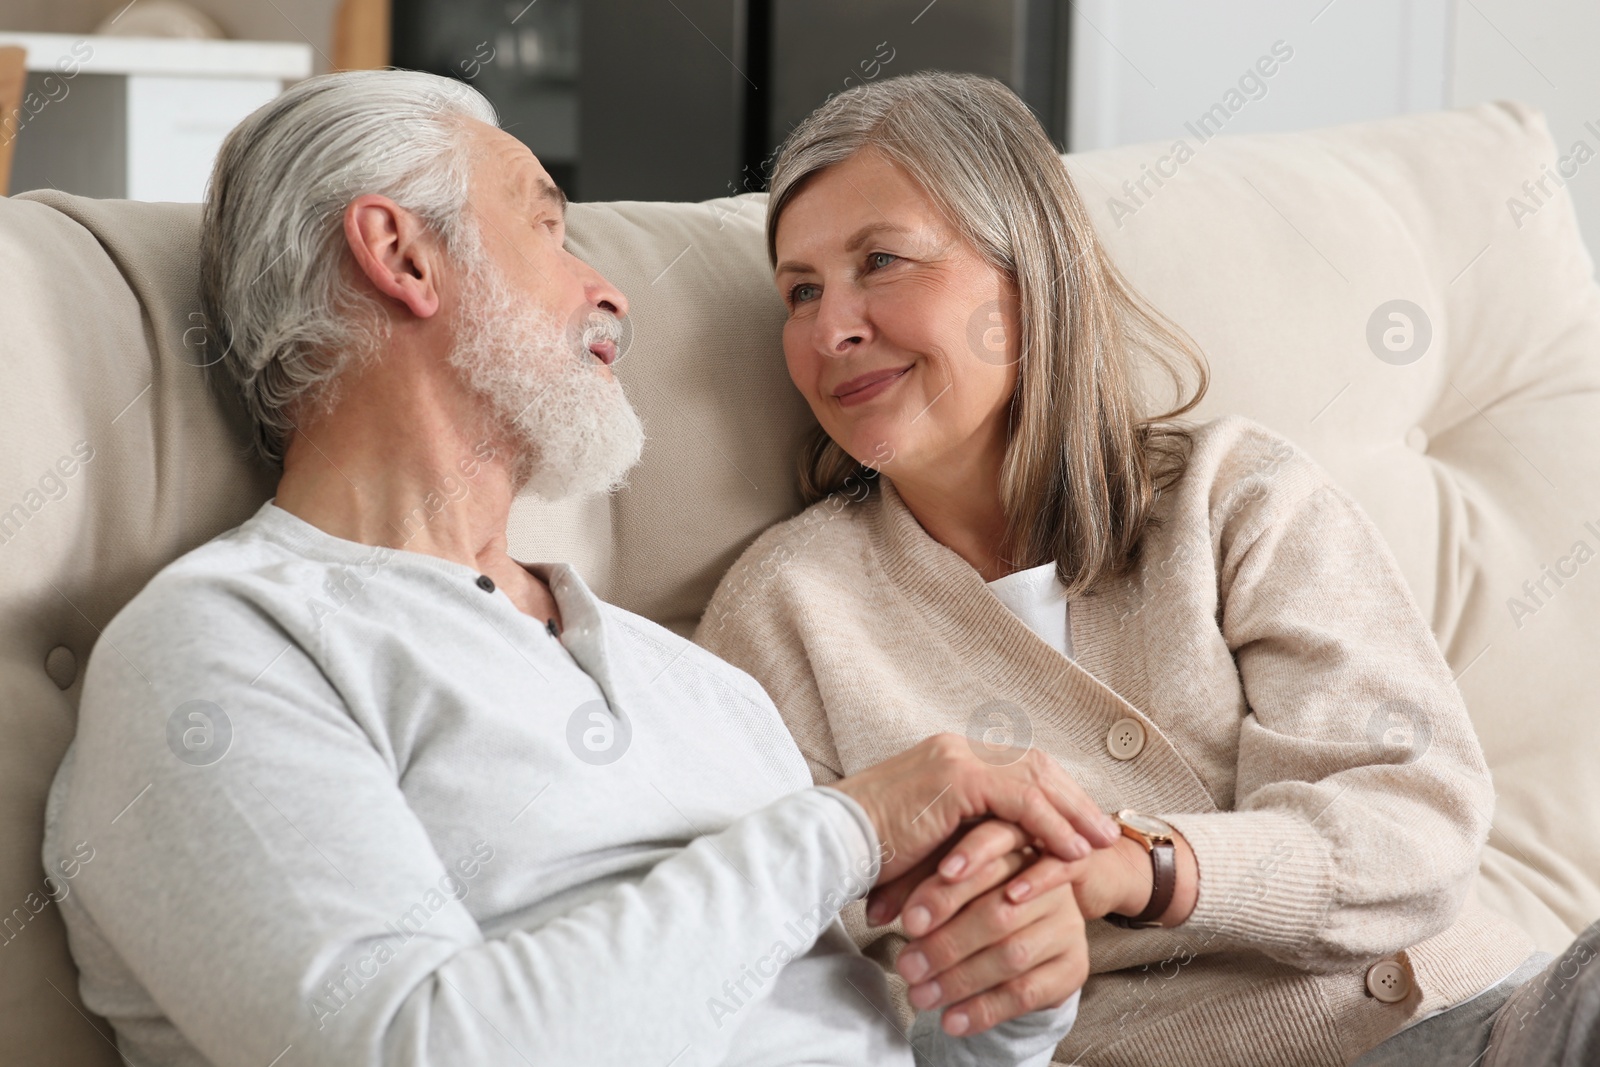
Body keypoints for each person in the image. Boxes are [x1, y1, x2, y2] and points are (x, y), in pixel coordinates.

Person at [39, 70, 1108, 1067]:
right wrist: (852, 824)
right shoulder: (220, 649)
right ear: (401, 255)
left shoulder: (693, 683)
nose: (612, 293)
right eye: (549, 225)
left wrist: (1005, 1010)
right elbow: (420, 1044)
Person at [695, 70, 1600, 1065]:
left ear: (1025, 277)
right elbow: (772, 950)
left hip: (1489, 1020)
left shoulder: (1235, 496)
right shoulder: (786, 613)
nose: (831, 330)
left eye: (881, 260)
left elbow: (1411, 826)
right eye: (800, 291)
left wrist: (1140, 868)